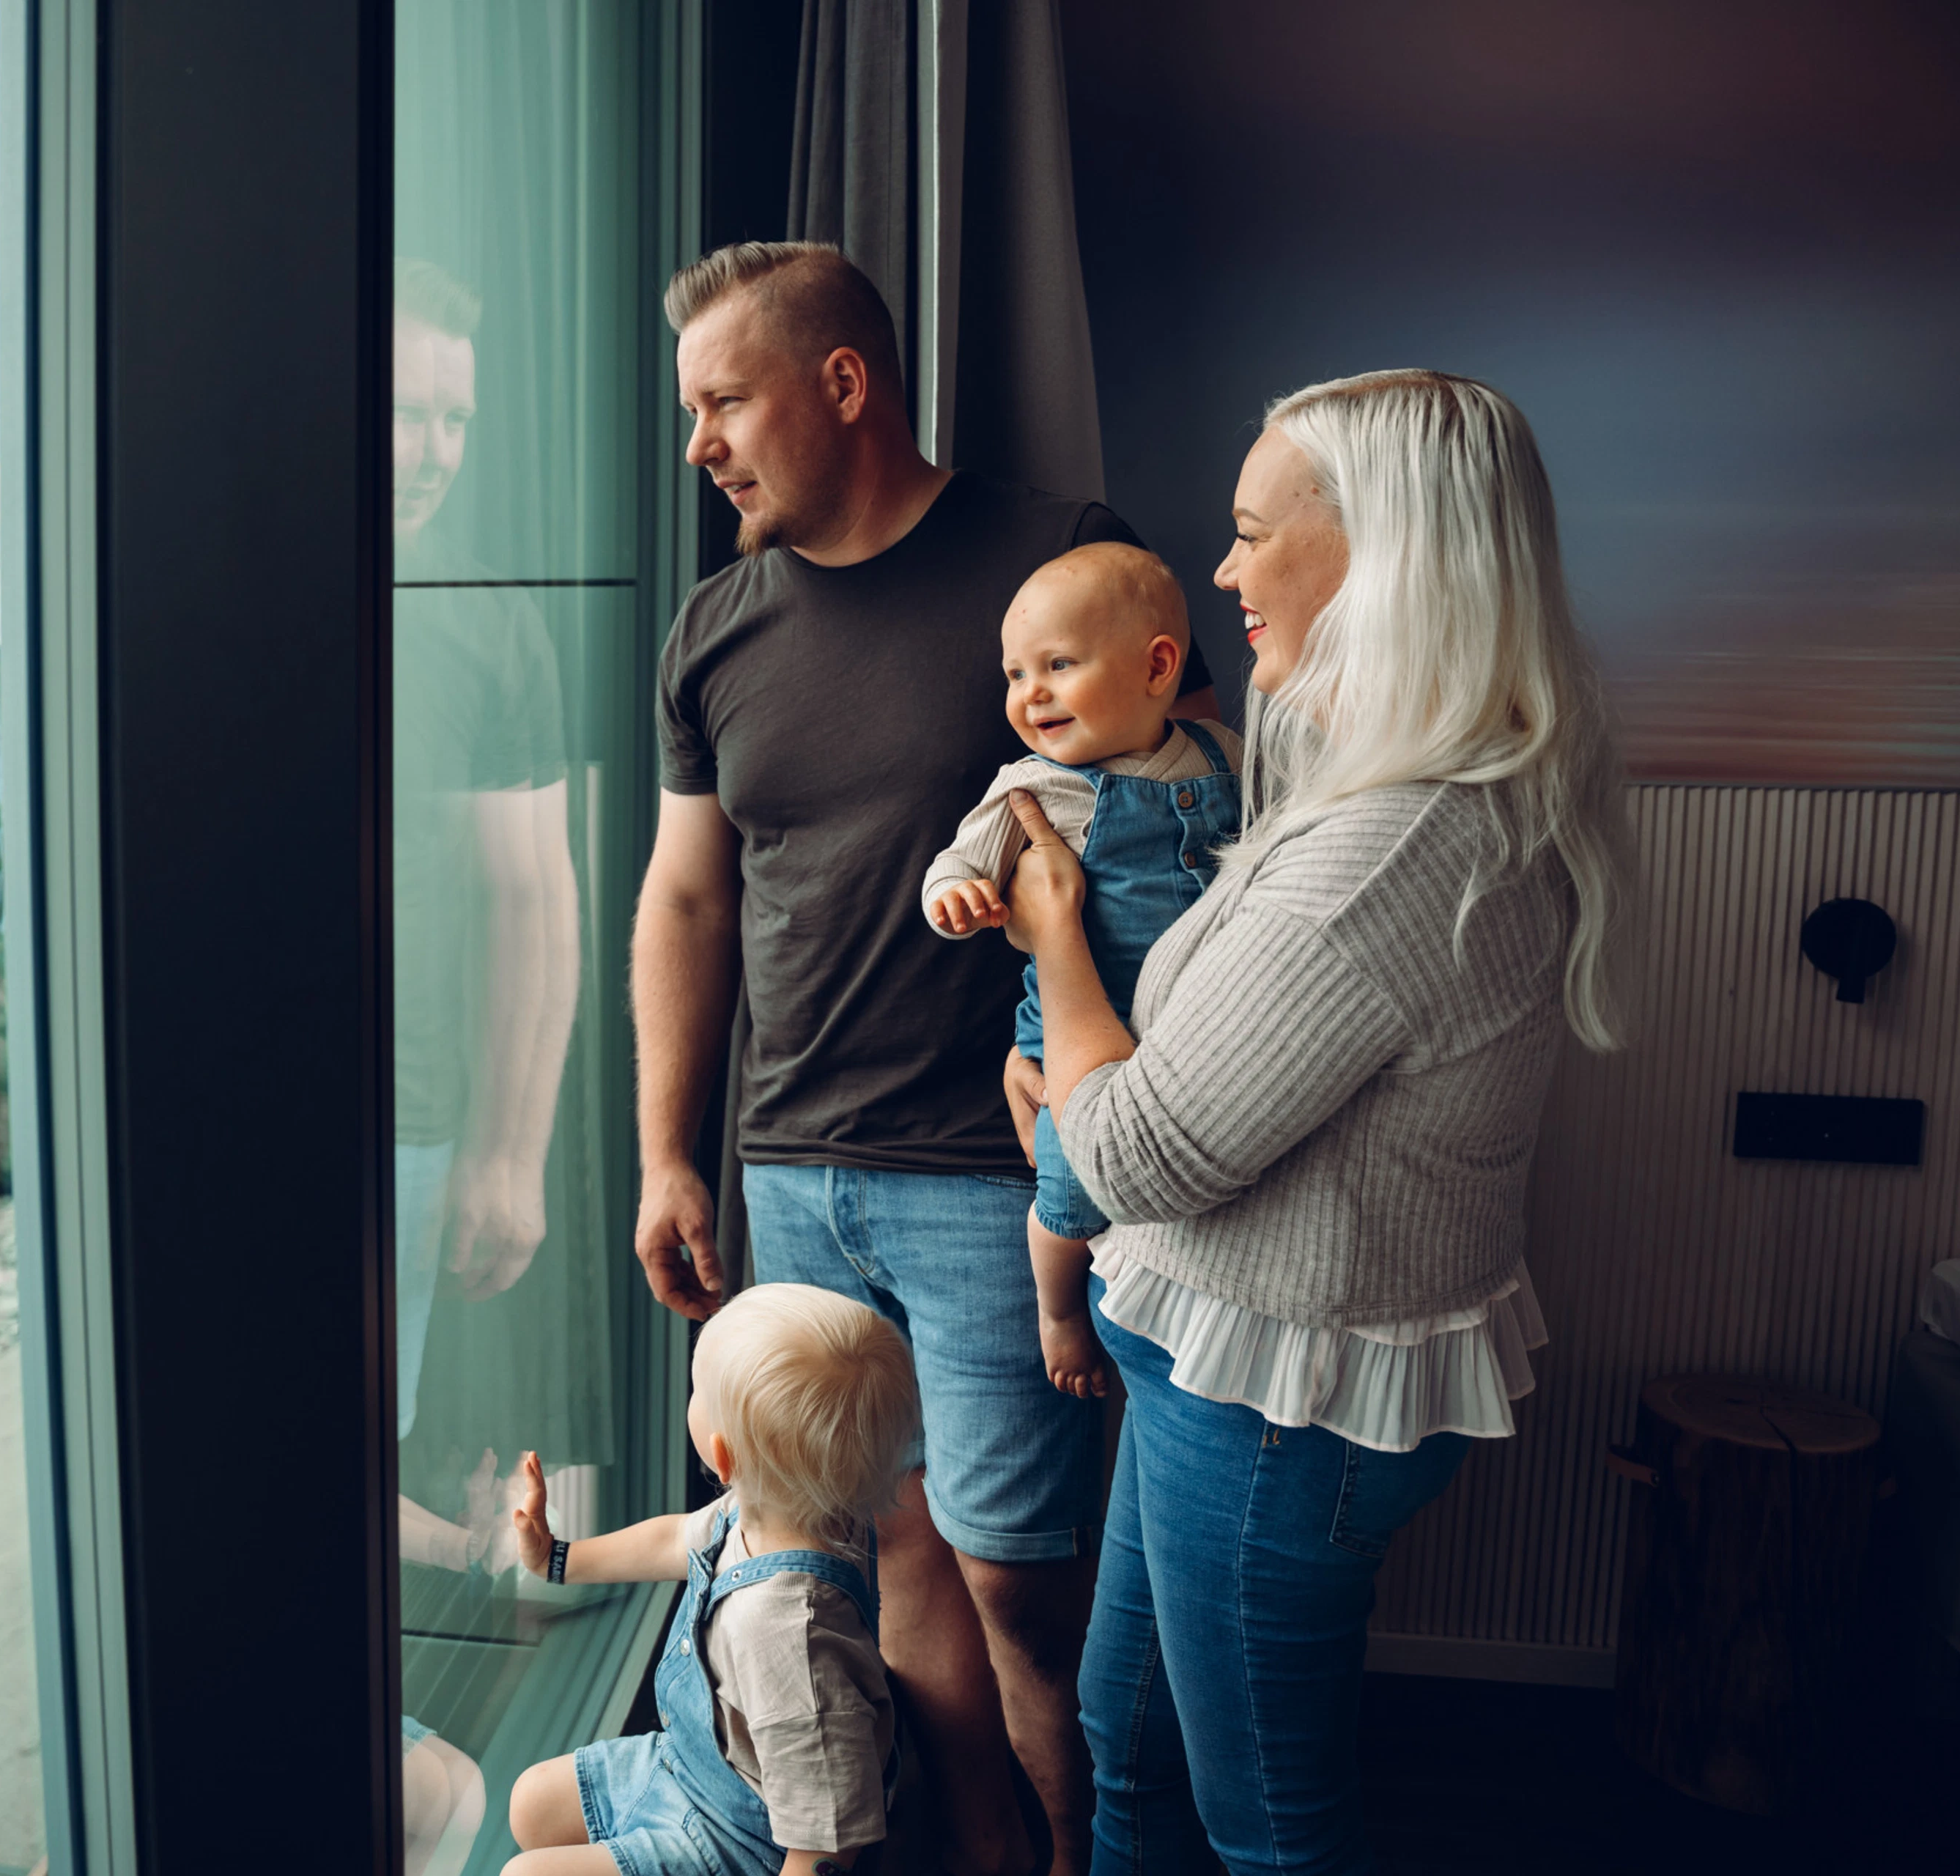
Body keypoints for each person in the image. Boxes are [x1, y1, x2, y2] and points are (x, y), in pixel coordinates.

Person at [631, 238, 1215, 1876]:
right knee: (876, 1561)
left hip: (995, 1175)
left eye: (725, 399)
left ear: (843, 382)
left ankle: (1085, 1850)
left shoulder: (1059, 568)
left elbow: (1192, 821)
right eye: (693, 410)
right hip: (790, 1170)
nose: (703, 444)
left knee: (1023, 1584)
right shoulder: (714, 627)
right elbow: (686, 896)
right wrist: (671, 1150)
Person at [1005, 369, 1628, 1874]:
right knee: (1130, 1748)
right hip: (1217, 1363)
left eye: (1245, 533)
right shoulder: (1405, 792)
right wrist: (1101, 1087)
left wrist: (1054, 943)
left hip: (1271, 1408)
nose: (1223, 574)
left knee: (1267, 1825)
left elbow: (1133, 1151)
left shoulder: (1392, 842)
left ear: (1381, 555)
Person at [390, 255, 582, 1871]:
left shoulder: (483, 619)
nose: (432, 441)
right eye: (401, 407)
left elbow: (536, 897)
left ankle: (425, 1794)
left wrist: (508, 1148)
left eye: (453, 410)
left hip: (396, 1128)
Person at [920, 543, 1244, 1401]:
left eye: (1058, 666)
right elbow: (959, 860)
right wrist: (956, 896)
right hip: (1070, 1048)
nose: (1029, 694)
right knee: (1070, 1196)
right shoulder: (1035, 785)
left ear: (1158, 666)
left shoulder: (1222, 754)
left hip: (1191, 1033)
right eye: (1016, 673)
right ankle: (1059, 1309)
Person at [501, 1282, 920, 1876]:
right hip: (690, 1768)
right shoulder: (777, 1509)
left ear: (723, 1458)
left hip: (740, 1843)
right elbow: (674, 1540)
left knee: (521, 1875)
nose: (691, 1396)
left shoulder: (788, 1638)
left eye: (699, 1391)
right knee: (530, 1806)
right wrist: (557, 1559)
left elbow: (827, 1836)